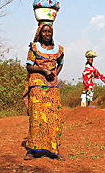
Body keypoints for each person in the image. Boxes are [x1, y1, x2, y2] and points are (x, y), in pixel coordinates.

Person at [23, 22, 65, 160]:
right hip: (37, 87)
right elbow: (29, 67)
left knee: (54, 118)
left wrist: (54, 74)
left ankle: (54, 149)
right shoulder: (34, 48)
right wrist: (43, 70)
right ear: (39, 33)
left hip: (52, 88)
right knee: (36, 117)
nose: (47, 34)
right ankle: (31, 150)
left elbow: (61, 63)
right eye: (44, 31)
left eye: (49, 31)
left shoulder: (57, 49)